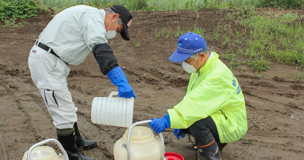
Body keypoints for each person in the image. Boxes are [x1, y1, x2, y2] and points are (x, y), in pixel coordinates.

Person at [28, 5, 136, 160]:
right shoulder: (92, 18)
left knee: (66, 104)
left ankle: (76, 139)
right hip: (46, 62)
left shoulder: (90, 16)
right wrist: (121, 81)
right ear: (113, 17)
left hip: (53, 60)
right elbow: (102, 51)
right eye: (118, 30)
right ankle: (71, 154)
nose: (114, 33)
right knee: (62, 109)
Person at [149, 32, 248, 160]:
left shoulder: (216, 76)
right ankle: (215, 142)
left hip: (232, 123)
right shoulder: (202, 67)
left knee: (196, 122)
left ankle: (214, 157)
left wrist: (168, 120)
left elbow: (195, 104)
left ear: (201, 55)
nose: (185, 64)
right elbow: (193, 98)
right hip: (220, 114)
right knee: (189, 118)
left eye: (187, 60)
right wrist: (181, 123)